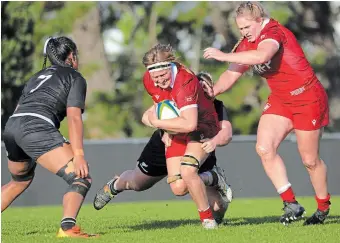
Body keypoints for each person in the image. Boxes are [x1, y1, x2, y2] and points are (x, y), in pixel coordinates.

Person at [203, 1, 331, 226]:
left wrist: (223, 55)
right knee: (264, 148)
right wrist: (209, 94)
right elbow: (231, 76)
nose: (244, 33)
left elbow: (262, 56)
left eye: (247, 28)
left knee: (310, 160)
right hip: (282, 100)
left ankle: (322, 207)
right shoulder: (246, 43)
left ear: (259, 21)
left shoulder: (273, 32)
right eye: (240, 29)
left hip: (307, 98)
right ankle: (291, 203)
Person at [93, 71, 233, 225]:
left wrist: (214, 141)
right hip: (166, 146)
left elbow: (226, 134)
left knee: (218, 207)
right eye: (199, 88)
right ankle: (115, 185)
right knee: (138, 183)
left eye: (207, 88)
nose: (203, 92)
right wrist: (165, 128)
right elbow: (146, 117)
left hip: (199, 150)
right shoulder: (176, 100)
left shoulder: (215, 106)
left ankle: (212, 184)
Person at [1, 36, 97, 238]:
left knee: (19, 181)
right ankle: (68, 228)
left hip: (12, 126)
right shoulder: (75, 76)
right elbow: (74, 118)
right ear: (71, 55)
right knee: (81, 177)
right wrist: (78, 154)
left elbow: (20, 109)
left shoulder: (37, 76)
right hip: (36, 127)